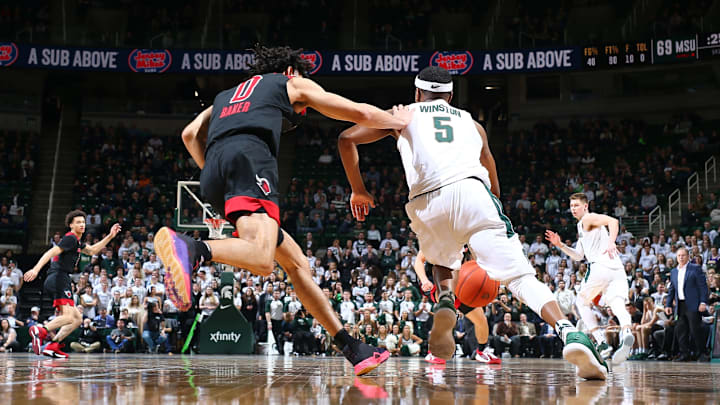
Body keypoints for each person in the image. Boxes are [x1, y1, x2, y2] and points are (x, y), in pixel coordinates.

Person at [156, 45, 411, 376]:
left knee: (296, 263)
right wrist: (396, 120)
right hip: (250, 157)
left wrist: (221, 177)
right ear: (291, 70)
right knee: (262, 260)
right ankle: (193, 248)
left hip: (214, 172)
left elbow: (189, 134)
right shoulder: (290, 83)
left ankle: (353, 347)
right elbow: (357, 113)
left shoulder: (225, 96)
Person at [337, 65, 605, 379]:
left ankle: (447, 299)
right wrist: (492, 213)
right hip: (474, 191)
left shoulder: (404, 114)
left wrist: (359, 190)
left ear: (416, 93)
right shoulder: (473, 124)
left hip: (427, 200)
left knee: (442, 258)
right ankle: (568, 331)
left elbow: (346, 138)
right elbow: (490, 171)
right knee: (520, 278)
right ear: (451, 95)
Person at [545, 193, 634, 366]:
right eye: (571, 206)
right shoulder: (582, 226)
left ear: (585, 206)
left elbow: (613, 222)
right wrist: (561, 245)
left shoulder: (589, 218)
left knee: (581, 302)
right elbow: (578, 256)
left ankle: (602, 342)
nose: (573, 209)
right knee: (617, 303)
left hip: (600, 267)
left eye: (576, 205)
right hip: (616, 269)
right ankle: (627, 331)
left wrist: (611, 242)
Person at [24, 210, 121, 358]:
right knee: (69, 317)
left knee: (76, 319)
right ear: (71, 225)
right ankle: (40, 331)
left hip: (61, 278)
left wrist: (110, 236)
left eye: (83, 222)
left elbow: (93, 249)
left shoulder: (77, 241)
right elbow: (51, 252)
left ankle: (52, 345)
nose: (82, 224)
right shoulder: (70, 239)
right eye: (78, 222)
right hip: (58, 277)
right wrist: (36, 269)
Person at [414, 250, 499, 365]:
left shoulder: (467, 238)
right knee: (447, 312)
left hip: (462, 281)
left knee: (481, 320)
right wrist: (424, 280)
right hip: (438, 279)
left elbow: (476, 264)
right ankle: (434, 352)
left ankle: (482, 351)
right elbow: (419, 260)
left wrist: (484, 290)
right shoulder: (435, 236)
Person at [665, 247, 710, 362]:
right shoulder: (674, 271)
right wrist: (668, 305)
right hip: (680, 305)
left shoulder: (695, 268)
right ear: (676, 257)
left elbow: (703, 287)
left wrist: (703, 302)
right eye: (679, 255)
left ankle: (702, 353)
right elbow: (672, 289)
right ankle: (685, 354)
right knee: (681, 330)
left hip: (693, 304)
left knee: (695, 330)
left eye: (683, 255)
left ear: (688, 256)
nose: (681, 257)